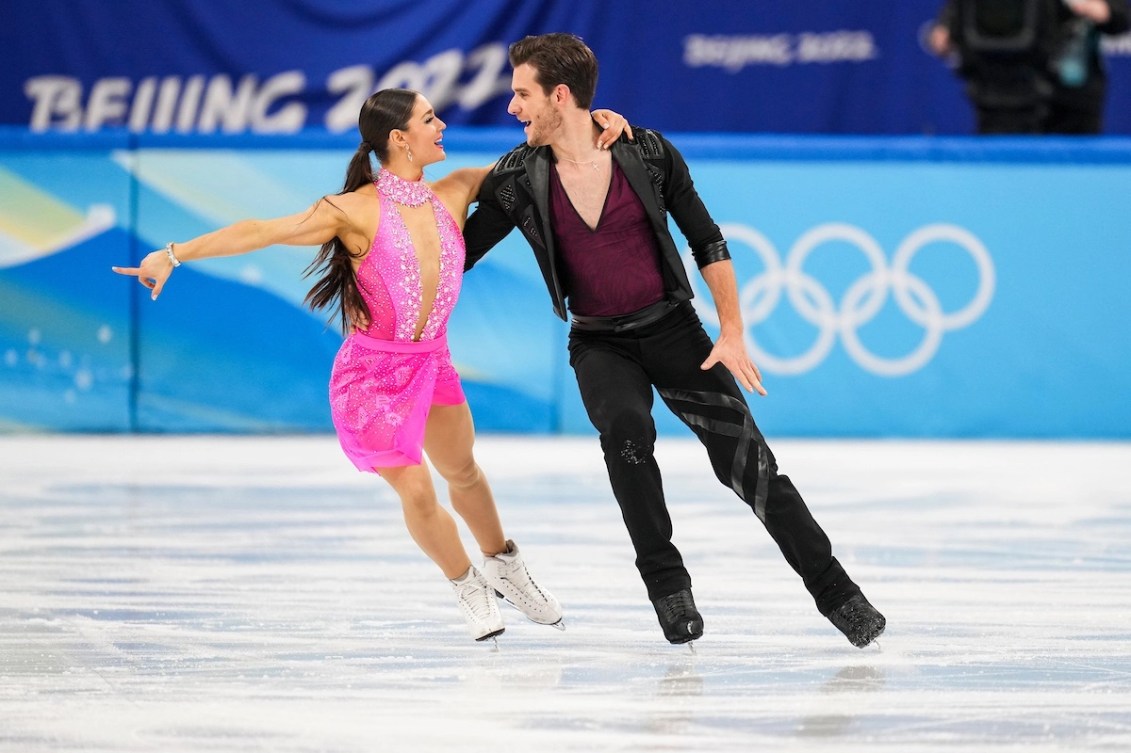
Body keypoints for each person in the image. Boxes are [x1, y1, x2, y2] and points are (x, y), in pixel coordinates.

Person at [111, 88, 628, 643]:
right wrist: (173, 253)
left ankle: (503, 564)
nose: (443, 125)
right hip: (371, 380)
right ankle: (467, 584)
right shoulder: (353, 210)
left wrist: (599, 120)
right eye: (430, 119)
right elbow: (261, 230)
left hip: (432, 364)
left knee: (463, 471)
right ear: (399, 139)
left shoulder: (455, 191)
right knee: (418, 487)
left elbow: (533, 156)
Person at [461, 33, 886, 648]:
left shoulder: (649, 154)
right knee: (626, 436)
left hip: (676, 332)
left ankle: (838, 594)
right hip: (600, 345)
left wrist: (732, 330)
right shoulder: (516, 179)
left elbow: (707, 239)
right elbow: (458, 252)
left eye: (521, 94)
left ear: (560, 96)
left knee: (752, 466)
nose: (511, 107)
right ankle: (668, 589)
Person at [928, 0, 1130, 134]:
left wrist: (1102, 10)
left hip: (1075, 101)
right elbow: (957, 16)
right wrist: (945, 29)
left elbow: (1120, 17)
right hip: (1003, 95)